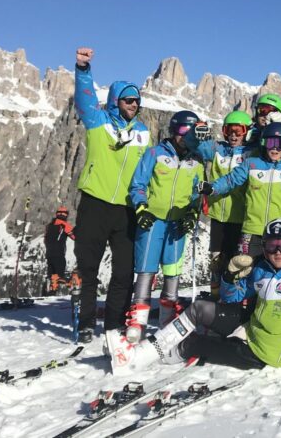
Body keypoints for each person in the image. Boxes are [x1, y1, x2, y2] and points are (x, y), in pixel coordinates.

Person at [106, 219, 281, 388]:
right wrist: (229, 277)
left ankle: (144, 358)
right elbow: (232, 299)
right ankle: (139, 355)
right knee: (199, 308)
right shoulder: (262, 270)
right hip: (249, 329)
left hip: (264, 353)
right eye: (272, 245)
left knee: (193, 344)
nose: (278, 252)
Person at [72, 47, 150, 343]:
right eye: (129, 100)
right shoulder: (97, 121)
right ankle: (87, 323)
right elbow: (84, 99)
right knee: (88, 267)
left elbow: (148, 169)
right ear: (116, 101)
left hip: (127, 210)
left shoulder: (143, 132)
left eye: (137, 101)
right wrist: (82, 70)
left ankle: (114, 324)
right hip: (95, 204)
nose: (134, 104)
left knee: (123, 272)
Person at [123, 111, 207, 343]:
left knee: (172, 272)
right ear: (173, 130)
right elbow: (137, 184)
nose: (186, 137)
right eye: (182, 131)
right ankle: (137, 324)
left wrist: (192, 213)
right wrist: (141, 208)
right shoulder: (155, 153)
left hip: (177, 223)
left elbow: (197, 193)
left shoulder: (197, 160)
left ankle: (166, 323)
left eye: (191, 132)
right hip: (153, 220)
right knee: (146, 270)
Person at [209, 121, 281, 261]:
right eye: (271, 143)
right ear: (264, 143)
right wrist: (212, 188)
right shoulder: (251, 163)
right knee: (243, 270)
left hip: (278, 232)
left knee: (271, 273)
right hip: (251, 230)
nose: (275, 148)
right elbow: (231, 180)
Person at [194, 111, 256, 294]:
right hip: (217, 215)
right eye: (229, 130)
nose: (234, 135)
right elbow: (197, 146)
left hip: (239, 217)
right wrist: (198, 133)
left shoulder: (251, 154)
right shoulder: (217, 149)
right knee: (216, 259)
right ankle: (215, 295)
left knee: (235, 261)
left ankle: (232, 297)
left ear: (247, 132)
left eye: (239, 130)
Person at [44, 206, 74, 292]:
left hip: (49, 254)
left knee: (52, 274)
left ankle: (52, 289)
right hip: (59, 254)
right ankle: (70, 286)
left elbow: (45, 240)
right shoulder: (64, 225)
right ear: (65, 215)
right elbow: (74, 236)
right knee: (60, 275)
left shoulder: (49, 226)